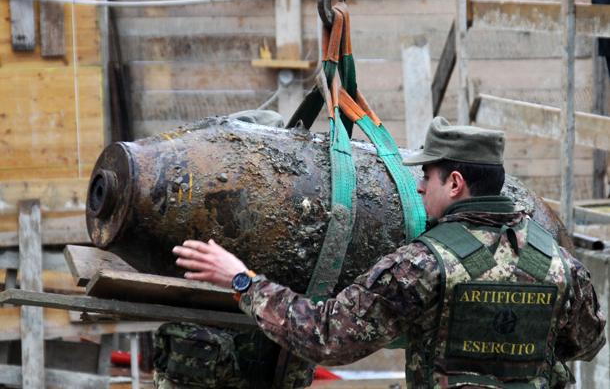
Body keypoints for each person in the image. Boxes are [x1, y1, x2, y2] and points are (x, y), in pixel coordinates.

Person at [172, 116, 606, 388]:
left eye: (428, 176)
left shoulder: (422, 264)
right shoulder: (557, 262)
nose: (418, 186)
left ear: (455, 183)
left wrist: (242, 281)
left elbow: (326, 338)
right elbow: (588, 343)